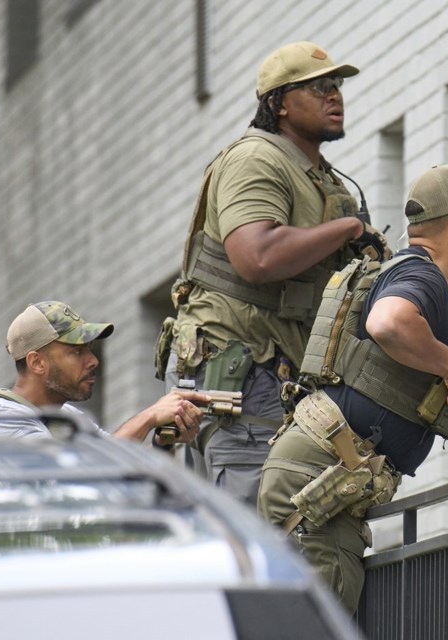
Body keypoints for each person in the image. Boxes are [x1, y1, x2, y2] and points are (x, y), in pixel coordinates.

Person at [258, 163, 448, 613]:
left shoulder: (416, 280)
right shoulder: (421, 277)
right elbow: (388, 323)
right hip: (318, 489)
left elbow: (402, 388)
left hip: (324, 483)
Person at [158, 41, 389, 505]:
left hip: (273, 371)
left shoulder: (320, 177)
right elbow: (256, 256)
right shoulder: (256, 159)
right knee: (253, 524)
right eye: (318, 87)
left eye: (337, 85)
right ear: (279, 103)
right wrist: (347, 229)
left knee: (270, 522)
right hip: (241, 367)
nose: (334, 95)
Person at [0, 300, 207, 443]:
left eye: (89, 350)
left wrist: (164, 439)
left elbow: (122, 473)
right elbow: (86, 478)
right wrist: (150, 416)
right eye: (77, 352)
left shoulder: (68, 416)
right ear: (37, 363)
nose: (93, 361)